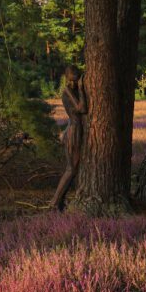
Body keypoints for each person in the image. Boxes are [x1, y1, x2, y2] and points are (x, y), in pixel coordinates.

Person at [50, 65, 87, 210]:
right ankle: (54, 202)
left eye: (77, 73)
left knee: (73, 169)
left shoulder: (73, 90)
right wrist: (82, 90)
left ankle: (59, 202)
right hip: (73, 132)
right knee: (71, 169)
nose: (76, 75)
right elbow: (82, 108)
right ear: (67, 76)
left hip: (74, 130)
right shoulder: (68, 91)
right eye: (73, 74)